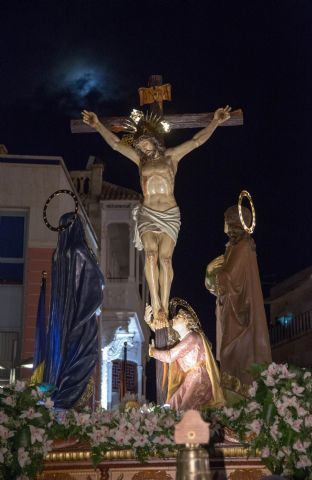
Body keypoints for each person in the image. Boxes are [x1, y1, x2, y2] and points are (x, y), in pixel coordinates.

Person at [82, 106, 231, 324]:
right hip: (148, 213)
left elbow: (196, 141)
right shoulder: (140, 161)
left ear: (154, 140)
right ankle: (156, 304)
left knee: (166, 259)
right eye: (139, 144)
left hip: (170, 214)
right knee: (150, 256)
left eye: (145, 142)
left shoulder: (172, 157)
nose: (142, 147)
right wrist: (97, 125)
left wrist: (215, 122)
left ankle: (165, 300)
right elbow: (115, 144)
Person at [205, 205, 272, 400]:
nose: (225, 224)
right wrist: (210, 273)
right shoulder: (233, 248)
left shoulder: (243, 247)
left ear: (235, 221)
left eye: (227, 219)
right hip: (231, 310)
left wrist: (212, 271)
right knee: (229, 355)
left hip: (240, 313)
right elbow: (219, 284)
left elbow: (229, 279)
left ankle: (242, 397)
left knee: (235, 354)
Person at [43, 212, 105, 409]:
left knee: (63, 355)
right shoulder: (79, 249)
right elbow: (97, 281)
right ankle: (67, 397)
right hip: (81, 316)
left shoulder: (58, 255)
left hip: (61, 319)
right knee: (85, 355)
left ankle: (56, 397)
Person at [148, 300, 225, 410]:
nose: (174, 318)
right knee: (173, 404)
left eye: (178, 317)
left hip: (200, 379)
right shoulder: (183, 339)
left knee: (185, 408)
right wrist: (149, 321)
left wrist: (152, 352)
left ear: (186, 321)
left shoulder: (192, 337)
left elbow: (169, 356)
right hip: (191, 377)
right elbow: (163, 334)